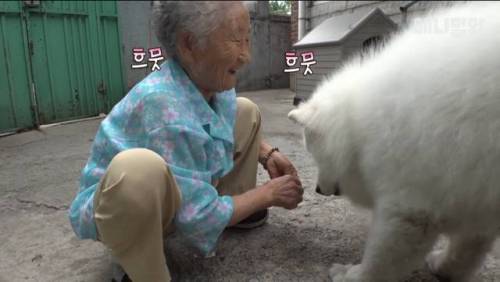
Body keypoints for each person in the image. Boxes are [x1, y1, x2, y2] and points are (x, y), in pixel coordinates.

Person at [68, 1, 303, 281]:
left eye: (248, 39)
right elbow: (196, 217)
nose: (246, 56)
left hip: (175, 186)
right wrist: (268, 194)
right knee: (139, 170)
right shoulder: (164, 107)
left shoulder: (209, 80)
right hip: (123, 205)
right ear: (189, 44)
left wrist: (266, 153)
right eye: (235, 41)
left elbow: (222, 125)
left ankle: (235, 209)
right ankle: (138, 262)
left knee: (245, 110)